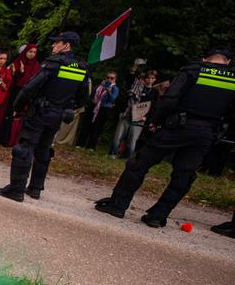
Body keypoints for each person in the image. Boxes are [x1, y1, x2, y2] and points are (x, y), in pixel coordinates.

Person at [95, 48, 235, 227]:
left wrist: (156, 122)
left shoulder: (193, 71)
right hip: (205, 133)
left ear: (204, 58)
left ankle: (117, 205)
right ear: (228, 62)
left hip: (177, 127)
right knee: (184, 175)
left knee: (139, 164)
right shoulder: (232, 79)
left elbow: (170, 99)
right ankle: (157, 216)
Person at [0, 32, 90, 202]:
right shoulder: (82, 68)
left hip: (40, 112)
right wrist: (68, 106)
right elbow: (83, 97)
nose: (53, 46)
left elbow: (29, 87)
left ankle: (16, 190)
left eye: (57, 43)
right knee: (44, 150)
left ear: (67, 45)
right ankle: (35, 188)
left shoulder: (53, 64)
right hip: (58, 116)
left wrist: (17, 106)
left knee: (25, 148)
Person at [0, 44, 40, 146]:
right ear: (25, 52)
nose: (32, 54)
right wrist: (19, 72)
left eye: (34, 52)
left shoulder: (36, 65)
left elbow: (34, 81)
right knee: (8, 114)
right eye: (30, 52)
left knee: (18, 116)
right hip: (13, 93)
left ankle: (13, 140)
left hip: (25, 95)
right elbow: (12, 79)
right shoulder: (17, 62)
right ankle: (1, 137)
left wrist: (22, 73)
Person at [110, 69, 158, 158]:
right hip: (127, 114)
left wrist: (146, 117)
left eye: (152, 78)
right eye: (148, 78)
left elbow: (154, 107)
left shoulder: (154, 92)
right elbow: (130, 79)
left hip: (139, 118)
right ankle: (113, 153)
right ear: (144, 79)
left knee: (132, 140)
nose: (149, 80)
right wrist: (134, 68)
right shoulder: (137, 87)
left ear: (154, 80)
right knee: (118, 136)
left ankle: (125, 157)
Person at [81, 72, 119, 149]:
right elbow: (91, 94)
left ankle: (91, 147)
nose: (109, 79)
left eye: (112, 78)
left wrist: (109, 91)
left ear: (115, 79)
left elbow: (112, 99)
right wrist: (92, 100)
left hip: (104, 109)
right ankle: (80, 144)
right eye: (108, 77)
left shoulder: (115, 88)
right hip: (93, 106)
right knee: (86, 125)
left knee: (97, 128)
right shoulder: (100, 85)